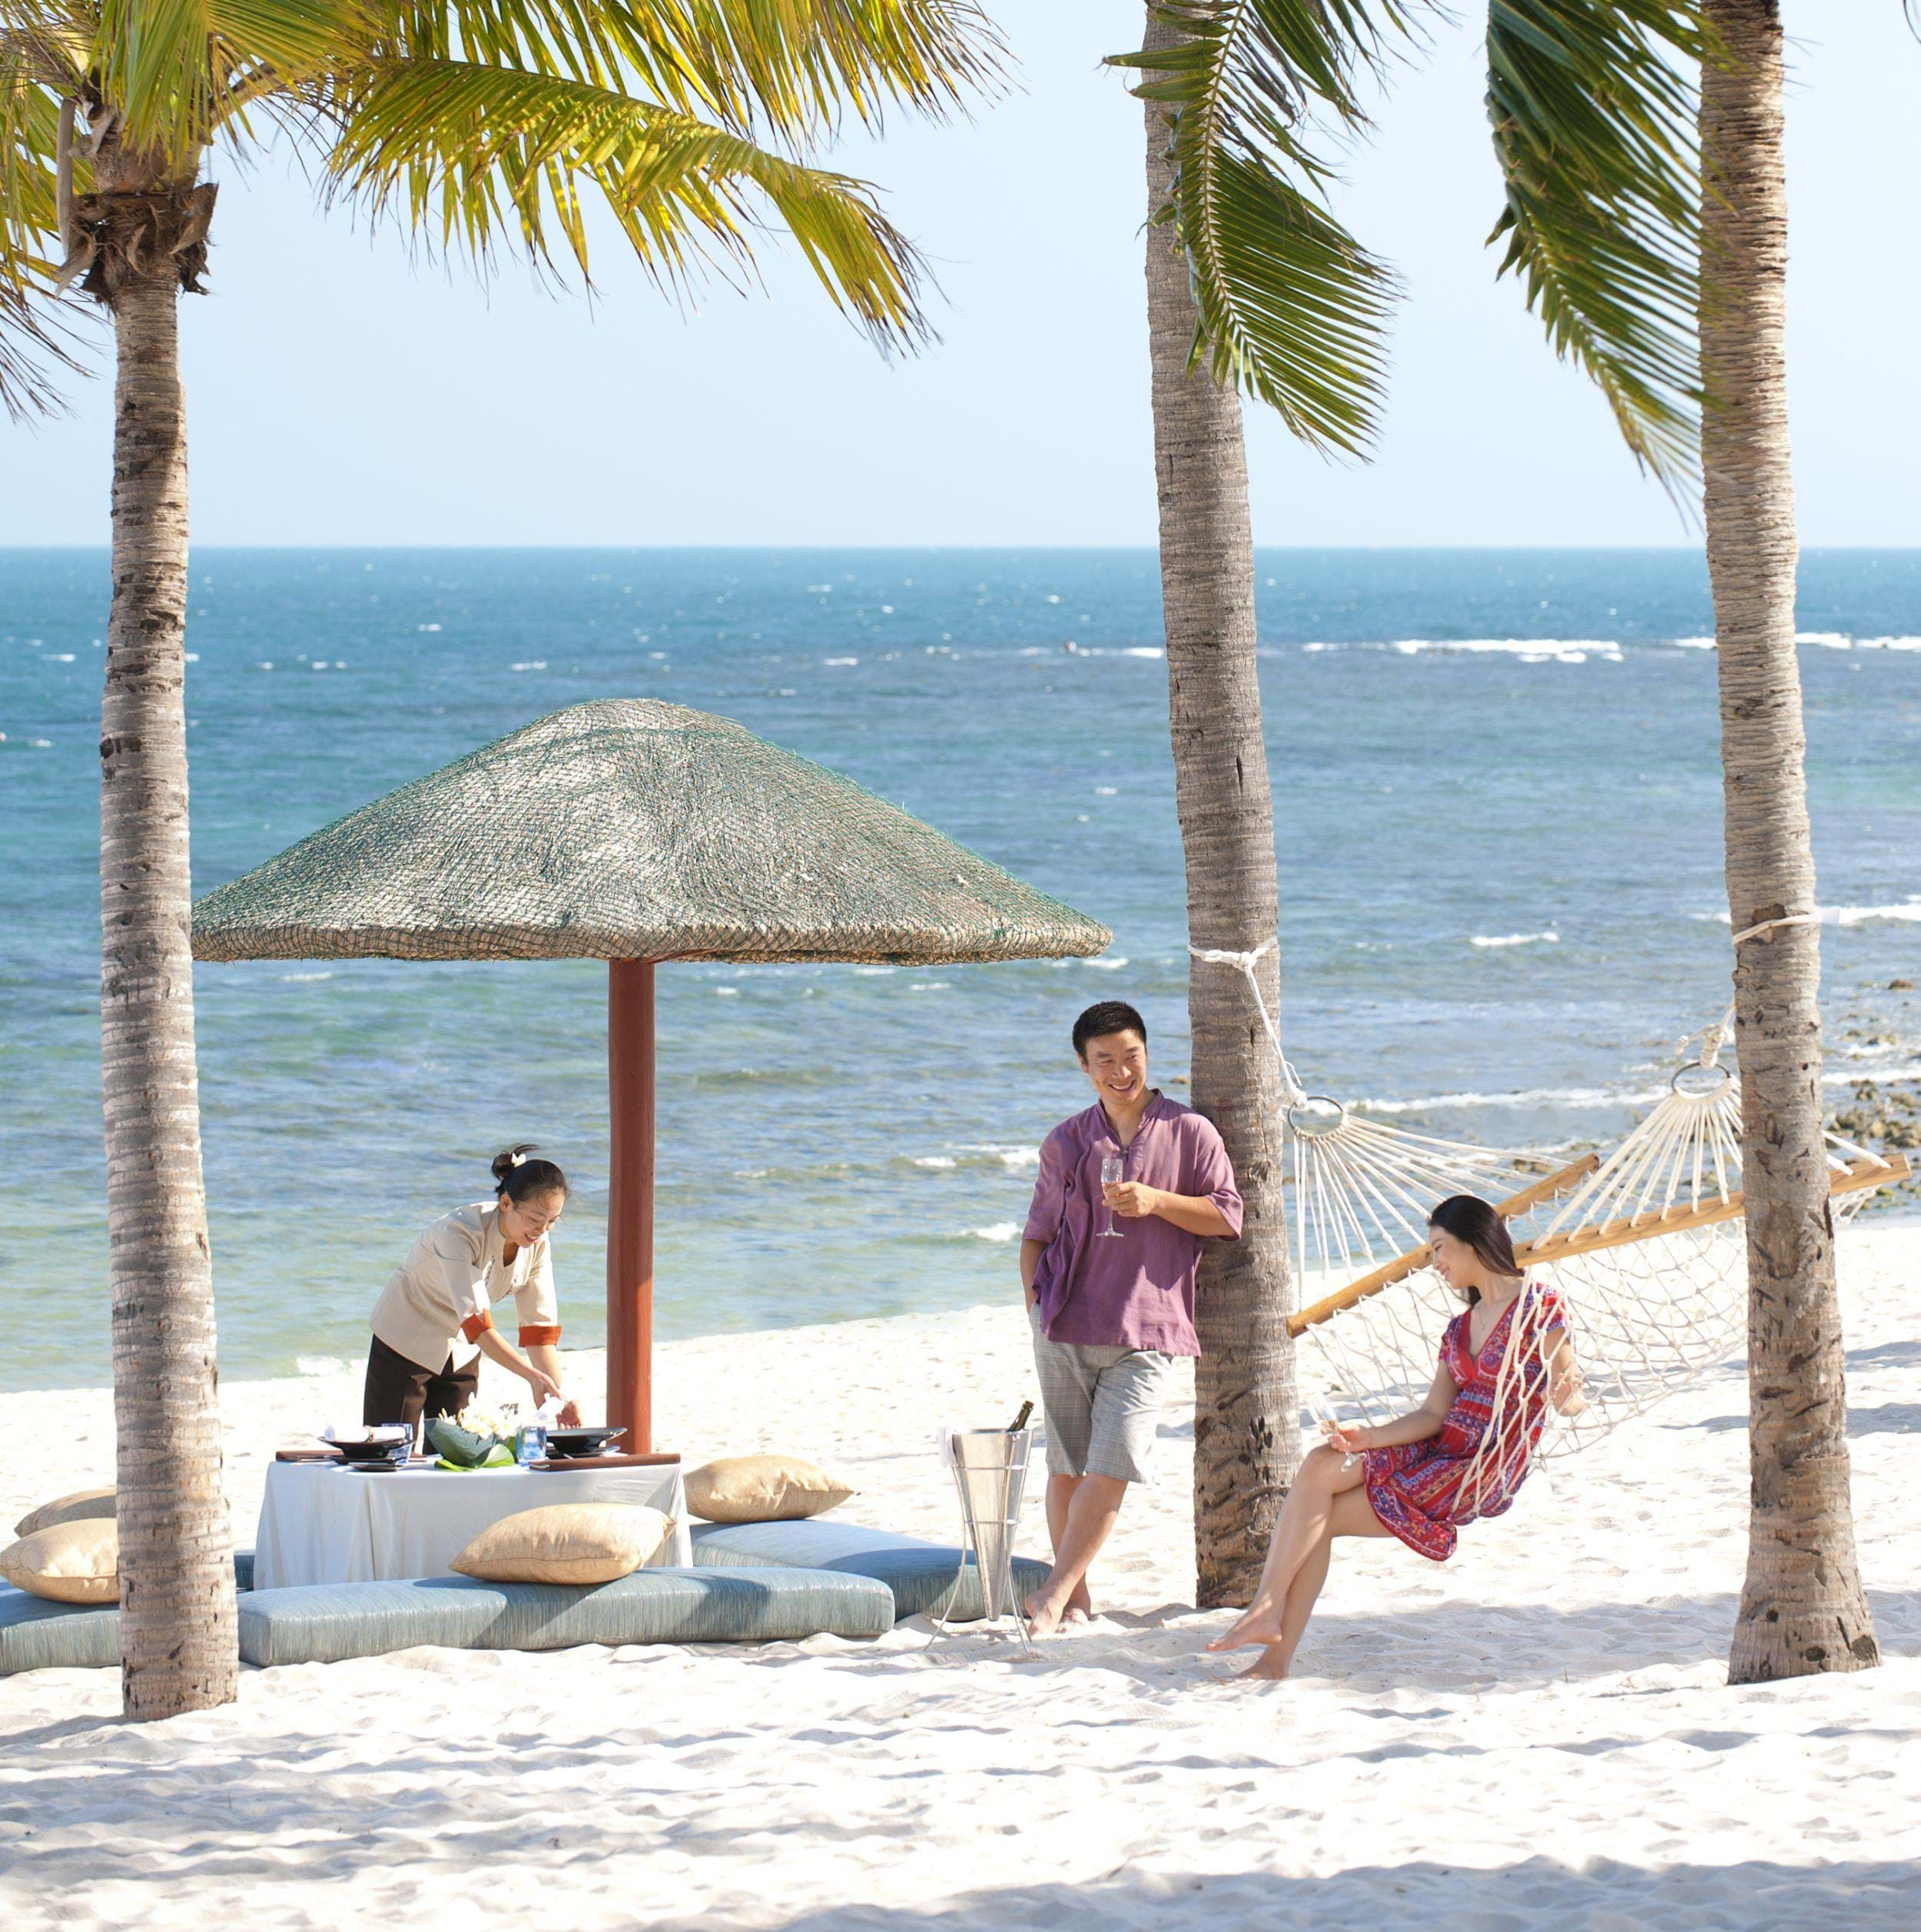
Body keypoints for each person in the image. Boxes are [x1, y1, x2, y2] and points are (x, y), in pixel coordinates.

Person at [1208, 1193, 1585, 1679]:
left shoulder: (1539, 1305)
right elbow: (1433, 1413)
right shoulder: (1459, 1328)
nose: (1436, 1263)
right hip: (1441, 1445)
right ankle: (1270, 1639)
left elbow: (1568, 1397)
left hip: (1479, 1466)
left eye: (1440, 1248)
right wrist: (1369, 1437)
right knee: (1323, 1463)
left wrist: (1567, 1390)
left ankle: (1270, 1631)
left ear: (1474, 1242)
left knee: (1314, 1519)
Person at [1020, 999, 1243, 1636]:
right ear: (1085, 1068)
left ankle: (1052, 1594)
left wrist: (1157, 1201)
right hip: (1064, 1321)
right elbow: (1036, 1235)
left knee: (1112, 1464)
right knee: (1066, 1467)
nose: (1121, 1071)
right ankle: (1076, 1600)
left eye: (1131, 1057)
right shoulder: (1066, 1141)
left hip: (1149, 1327)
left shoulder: (1190, 1132)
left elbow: (1229, 1216)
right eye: (1105, 1062)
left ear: (1147, 1054)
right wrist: (1036, 1309)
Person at [363, 1143, 583, 1432]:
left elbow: (538, 1332)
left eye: (552, 1222)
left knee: (457, 1455)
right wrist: (531, 1376)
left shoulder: (538, 1245)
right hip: (406, 1338)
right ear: (506, 1203)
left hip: (462, 1350)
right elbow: (476, 1322)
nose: (541, 1231)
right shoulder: (459, 1231)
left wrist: (558, 1396)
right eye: (534, 1219)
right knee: (391, 1448)